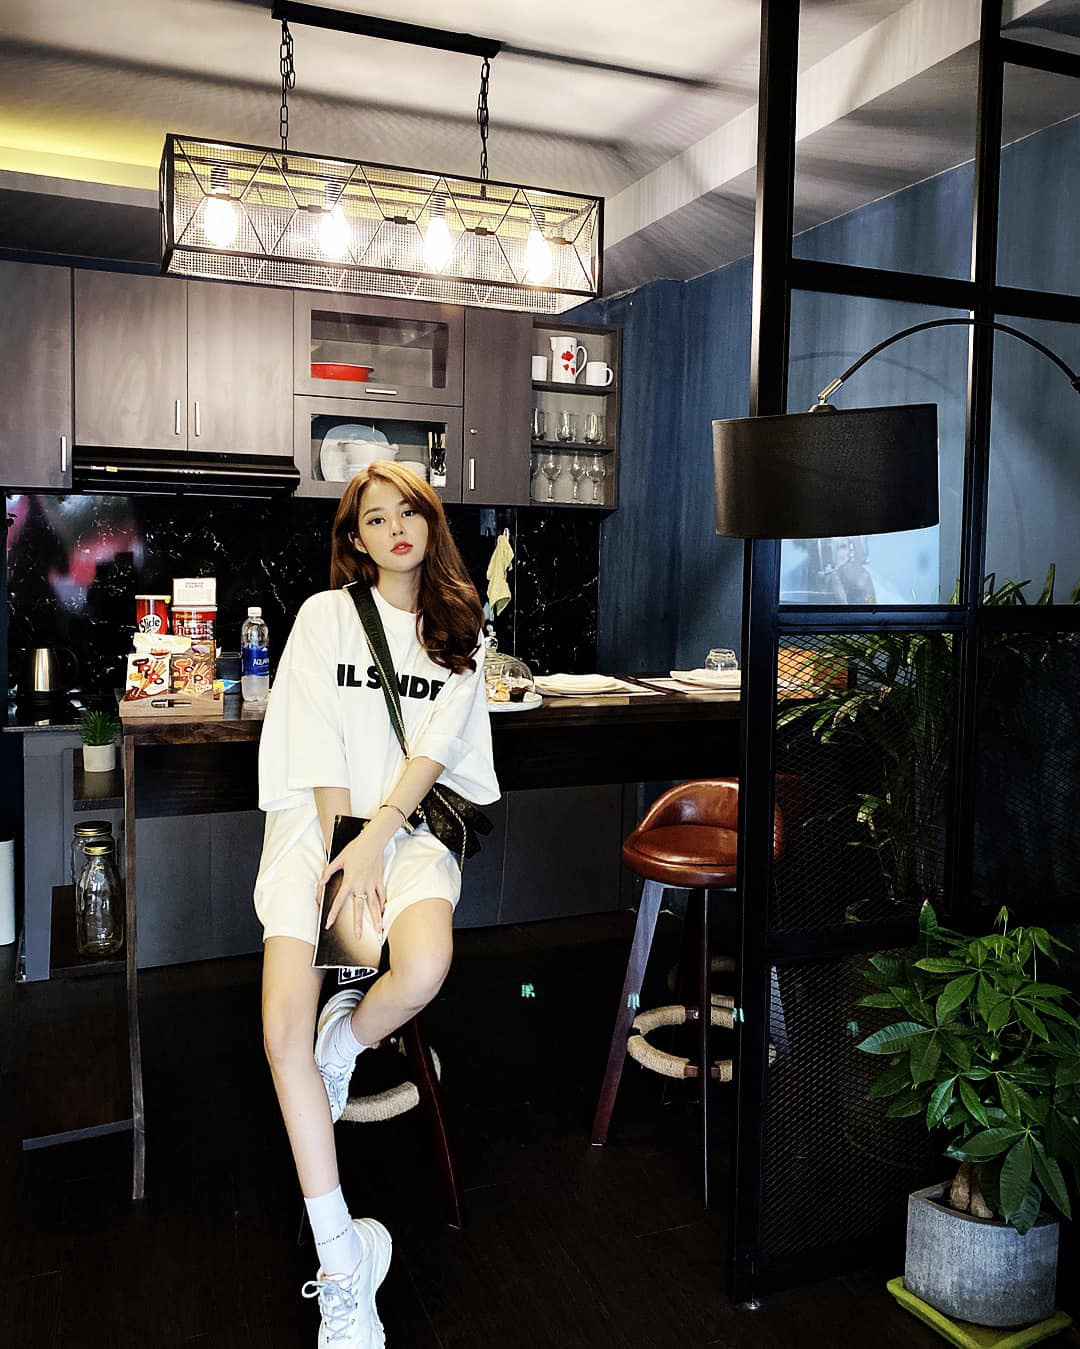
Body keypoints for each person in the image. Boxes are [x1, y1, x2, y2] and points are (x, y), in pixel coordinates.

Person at [254, 461, 500, 1347]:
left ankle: (347, 1040)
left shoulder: (460, 630)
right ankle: (344, 1263)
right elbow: (316, 740)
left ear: (430, 521)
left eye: (409, 511)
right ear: (354, 539)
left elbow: (433, 752)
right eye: (375, 517)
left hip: (405, 833)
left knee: (425, 964)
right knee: (280, 1030)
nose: (396, 527)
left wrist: (376, 841)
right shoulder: (325, 616)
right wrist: (343, 854)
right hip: (317, 831)